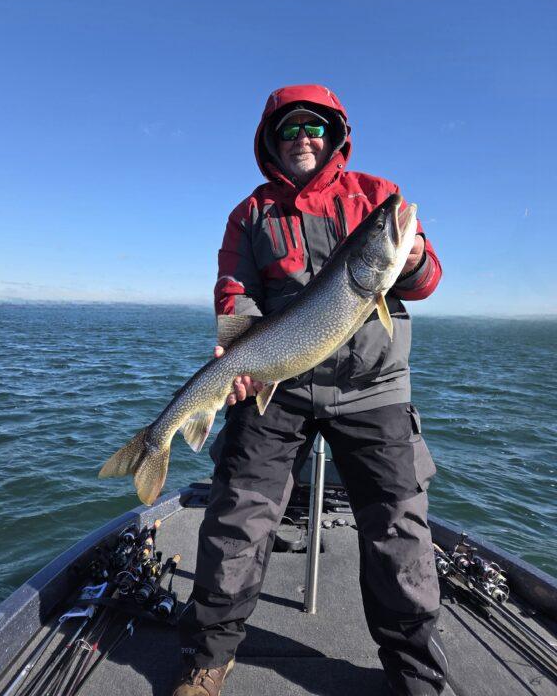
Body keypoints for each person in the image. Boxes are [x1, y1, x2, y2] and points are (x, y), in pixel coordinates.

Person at [174, 85, 447, 696]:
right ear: (271, 140)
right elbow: (234, 291)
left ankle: (415, 672)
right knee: (237, 515)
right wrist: (236, 348)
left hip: (373, 386)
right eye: (290, 129)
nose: (303, 139)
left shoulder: (380, 199)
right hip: (279, 383)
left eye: (315, 129)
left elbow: (427, 281)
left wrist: (414, 255)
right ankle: (207, 656)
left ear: (335, 136)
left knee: (399, 526)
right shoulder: (251, 213)